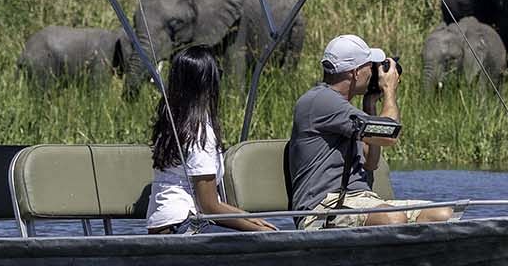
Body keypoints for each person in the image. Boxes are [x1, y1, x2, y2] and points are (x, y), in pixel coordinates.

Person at [285, 34, 455, 229]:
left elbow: (371, 162)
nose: (374, 72)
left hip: (360, 201)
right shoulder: (320, 101)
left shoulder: (346, 113)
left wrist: (370, 106)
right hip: (323, 210)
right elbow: (388, 135)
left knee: (443, 215)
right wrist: (389, 90)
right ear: (356, 72)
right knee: (393, 219)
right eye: (371, 66)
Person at [145, 46, 278, 234]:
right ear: (207, 84)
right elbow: (209, 206)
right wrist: (261, 231)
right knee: (263, 240)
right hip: (184, 224)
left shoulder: (171, 122)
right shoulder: (200, 131)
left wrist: (248, 217)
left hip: (163, 223)